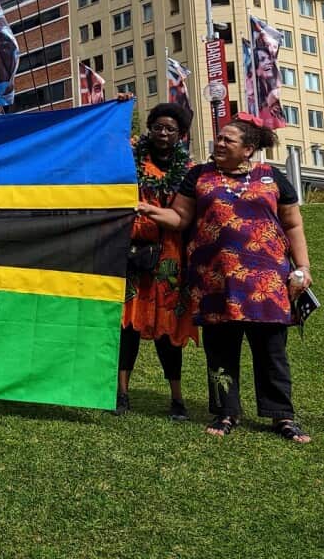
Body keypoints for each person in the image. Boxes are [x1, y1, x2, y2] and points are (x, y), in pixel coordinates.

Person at [138, 114, 313, 443]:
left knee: (271, 352)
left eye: (227, 140)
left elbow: (293, 224)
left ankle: (282, 416)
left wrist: (302, 267)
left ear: (248, 149)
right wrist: (148, 210)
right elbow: (179, 218)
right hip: (215, 282)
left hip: (268, 284)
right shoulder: (198, 176)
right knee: (220, 351)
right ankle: (226, 411)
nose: (219, 143)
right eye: (218, 138)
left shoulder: (272, 178)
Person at [117, 103, 198, 419]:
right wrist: (122, 108)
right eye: (158, 127)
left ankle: (177, 398)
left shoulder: (188, 169)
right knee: (127, 324)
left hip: (169, 257)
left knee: (168, 328)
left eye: (170, 129)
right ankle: (122, 394)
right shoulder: (132, 157)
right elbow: (112, 139)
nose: (163, 133)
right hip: (132, 250)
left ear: (181, 135)